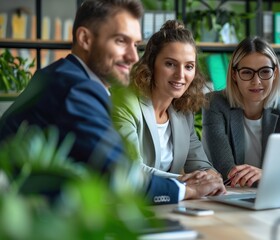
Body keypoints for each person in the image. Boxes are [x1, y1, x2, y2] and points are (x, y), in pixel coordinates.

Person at [0, 0, 225, 204]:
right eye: (120, 41)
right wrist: (188, 190)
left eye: (134, 44)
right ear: (85, 39)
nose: (133, 57)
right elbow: (121, 176)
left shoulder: (64, 76)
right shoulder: (77, 88)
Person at [111, 20, 222, 184]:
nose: (180, 75)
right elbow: (131, 168)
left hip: (170, 205)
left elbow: (200, 164)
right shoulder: (126, 103)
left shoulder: (183, 112)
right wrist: (184, 181)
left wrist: (211, 176)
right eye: (170, 64)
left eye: (189, 66)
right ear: (151, 64)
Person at [202, 36, 280, 187]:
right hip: (228, 195)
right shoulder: (214, 104)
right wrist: (269, 176)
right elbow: (226, 169)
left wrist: (269, 175)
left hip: (269, 194)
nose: (256, 81)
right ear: (234, 75)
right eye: (247, 72)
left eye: (265, 71)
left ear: (275, 73)